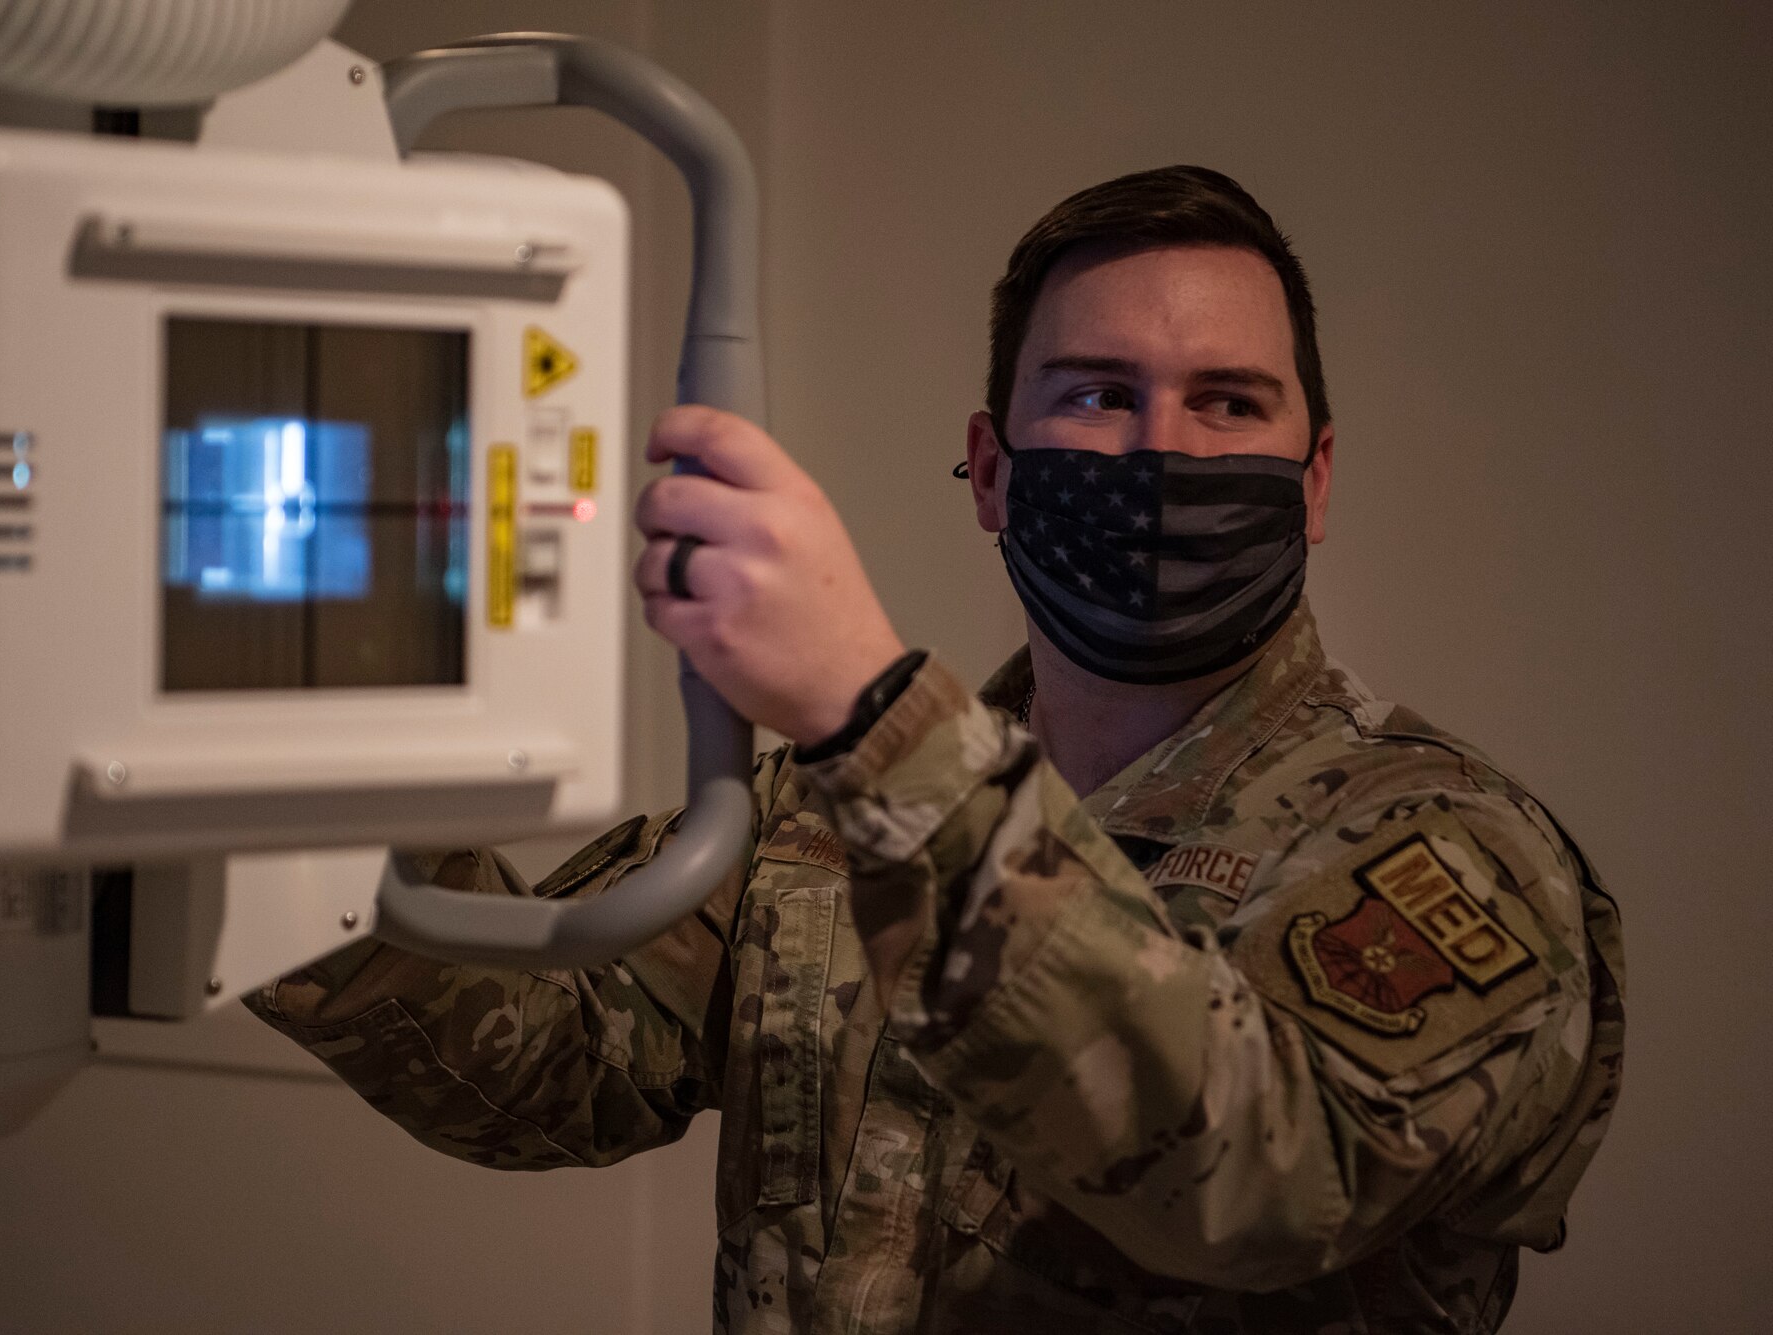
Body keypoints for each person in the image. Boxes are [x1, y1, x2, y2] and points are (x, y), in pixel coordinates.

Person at [246, 166, 1625, 1333]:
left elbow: (1261, 1178)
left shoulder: (1446, 850)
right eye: (1095, 395)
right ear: (994, 467)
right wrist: (257, 778)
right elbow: (542, 1062)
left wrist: (867, 701)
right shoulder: (811, 820)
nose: (1158, 451)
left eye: (1227, 403)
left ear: (1313, 477)